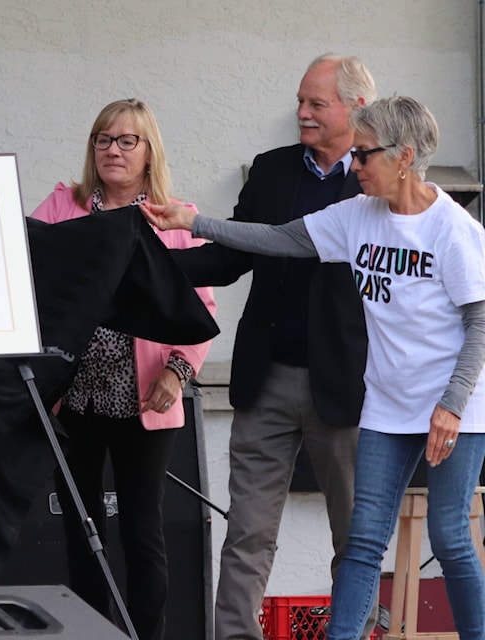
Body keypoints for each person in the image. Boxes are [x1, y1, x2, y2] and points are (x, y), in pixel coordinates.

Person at [142, 95, 485, 640]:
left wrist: (452, 404)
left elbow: (480, 325)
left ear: (404, 156)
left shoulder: (454, 231)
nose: (354, 166)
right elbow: (278, 238)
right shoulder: (357, 216)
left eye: (365, 155)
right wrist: (195, 221)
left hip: (455, 402)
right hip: (387, 403)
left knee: (449, 536)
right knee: (366, 539)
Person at [165, 54, 377, 640]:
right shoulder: (272, 168)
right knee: (248, 533)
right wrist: (159, 266)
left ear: (355, 108)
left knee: (356, 537)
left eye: (316, 103)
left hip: (350, 387)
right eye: (301, 102)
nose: (302, 113)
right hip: (268, 378)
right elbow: (233, 256)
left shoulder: (376, 180)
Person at [30, 98, 216, 640]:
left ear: (148, 151)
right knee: (82, 532)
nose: (113, 150)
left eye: (126, 140)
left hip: (145, 398)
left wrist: (177, 372)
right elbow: (30, 274)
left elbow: (201, 307)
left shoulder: (174, 217)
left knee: (142, 532)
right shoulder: (63, 208)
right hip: (74, 397)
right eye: (103, 139)